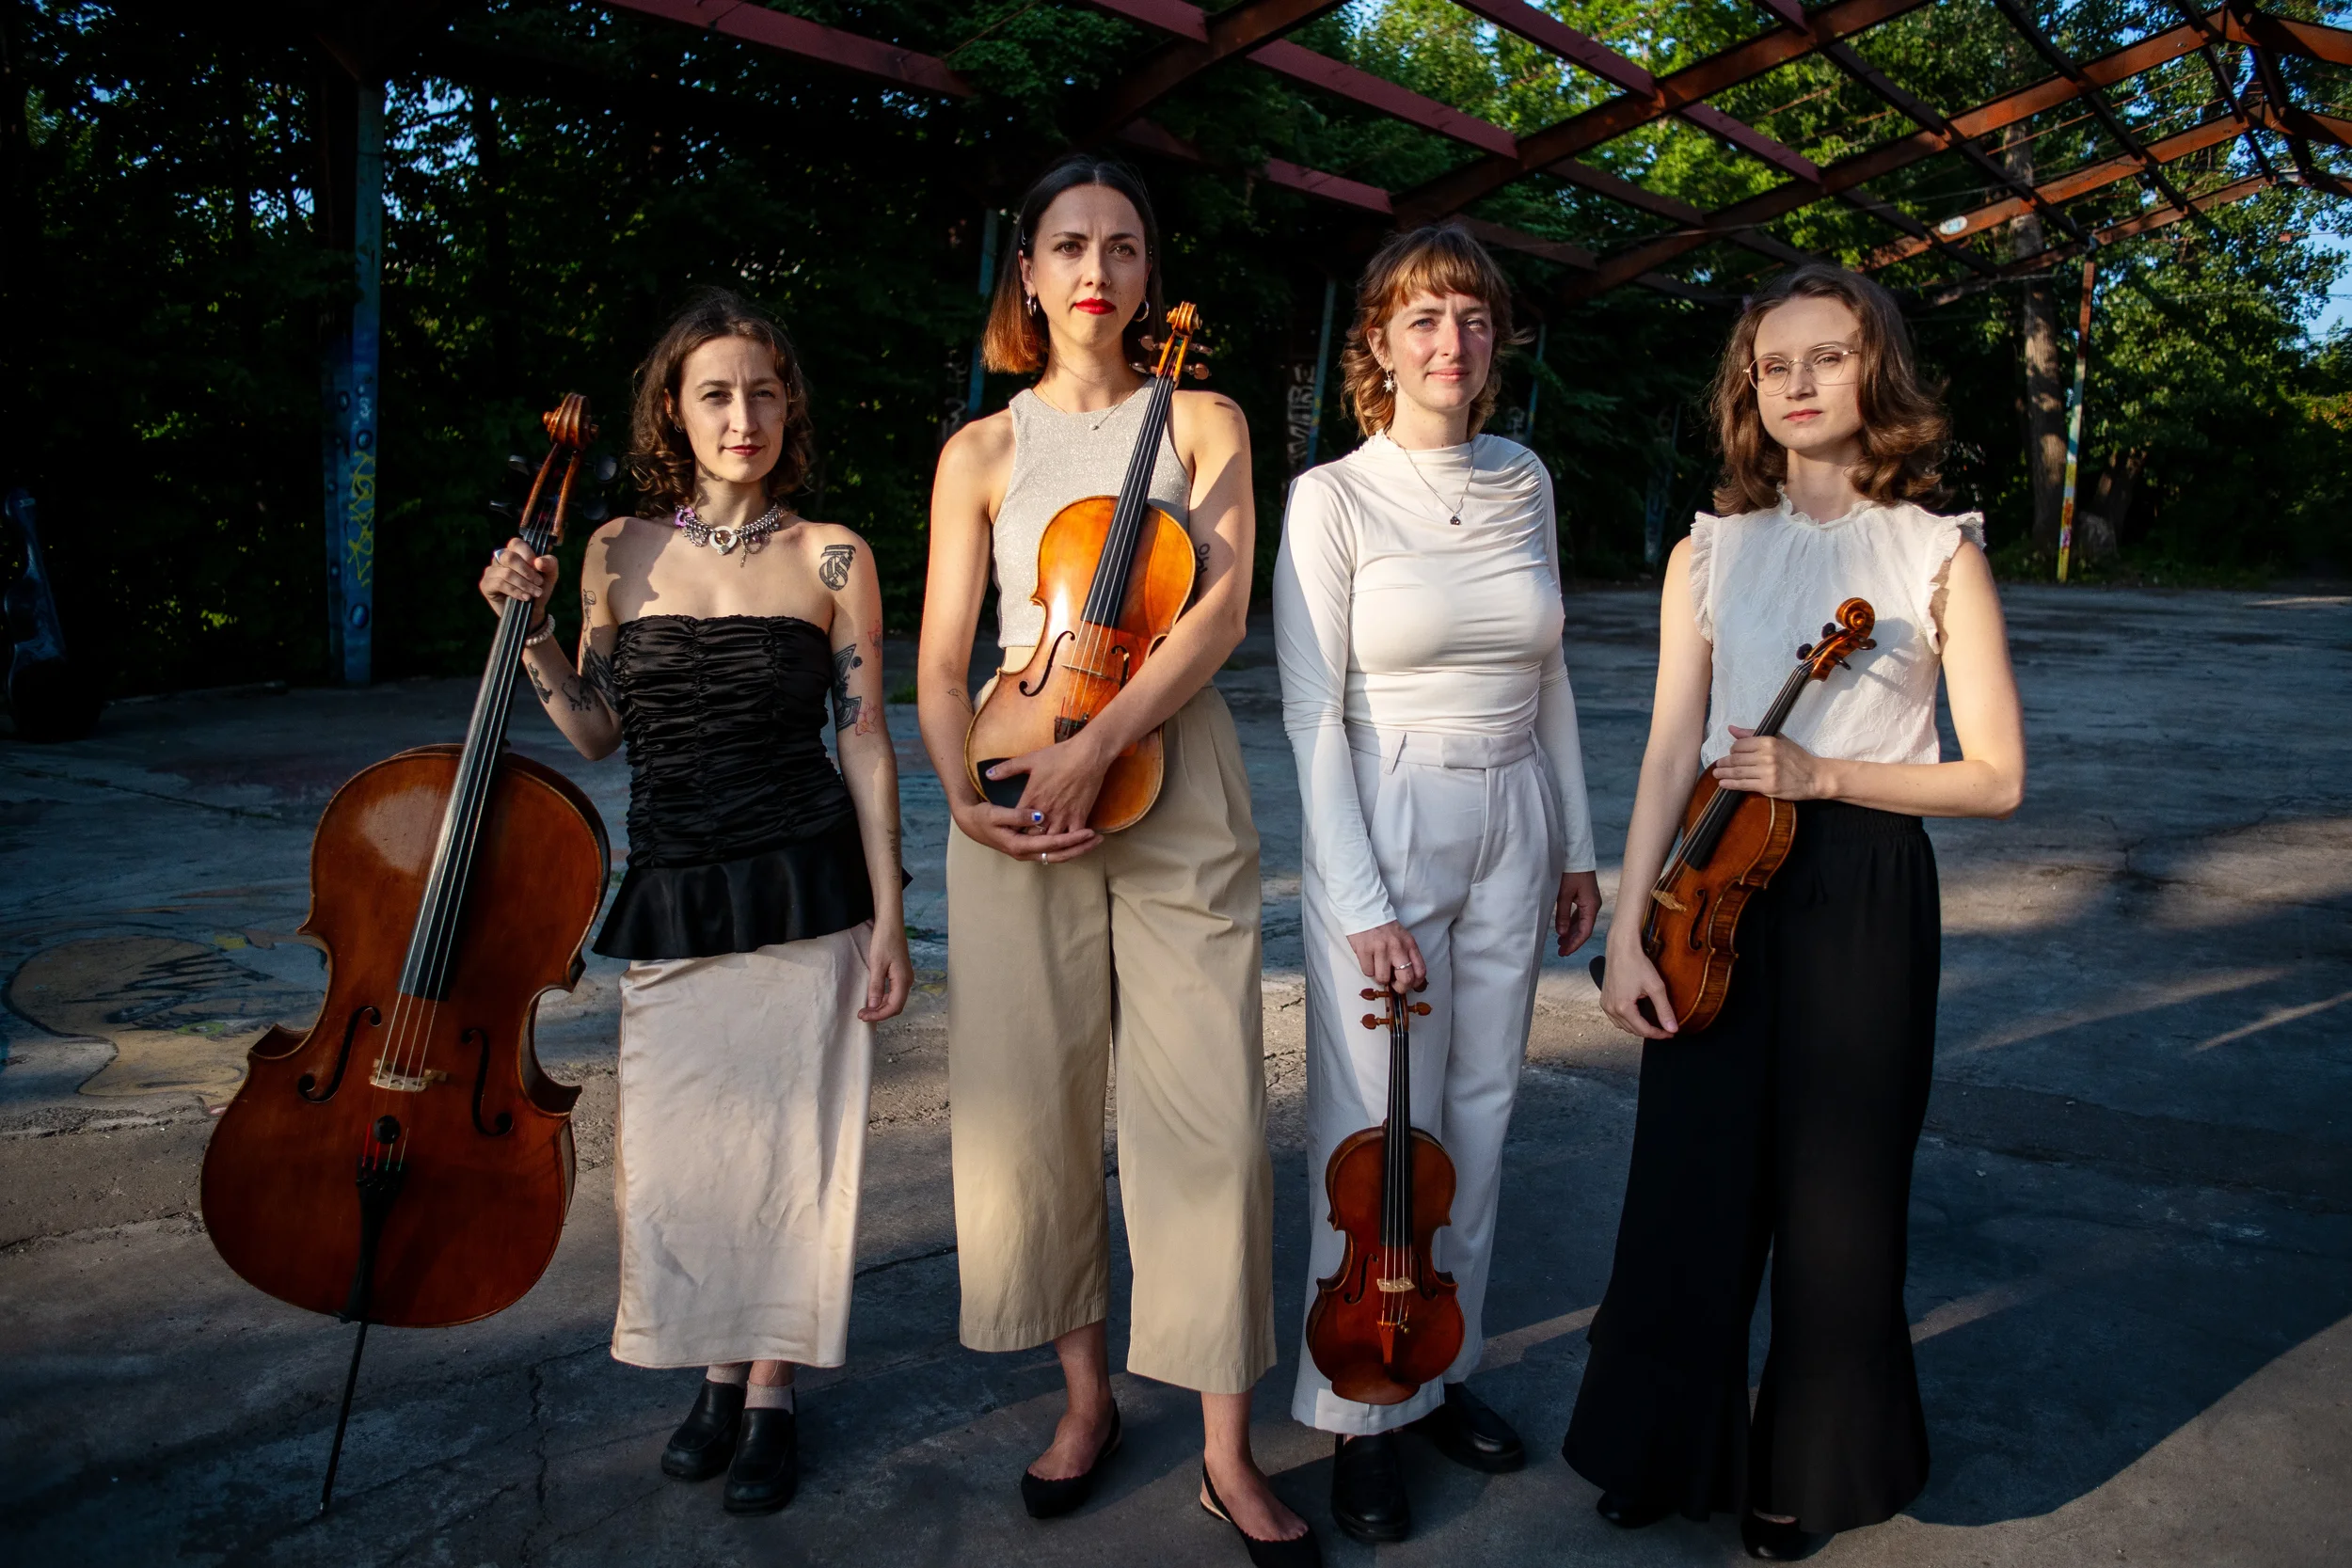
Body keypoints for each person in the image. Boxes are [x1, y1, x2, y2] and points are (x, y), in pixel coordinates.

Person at [1562, 261, 2026, 1561]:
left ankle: (1802, 1467)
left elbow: (1994, 776)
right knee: (1685, 1183)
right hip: (1714, 873)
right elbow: (1668, 752)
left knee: (1840, 1199)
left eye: (1828, 357)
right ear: (1750, 390)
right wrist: (1625, 929)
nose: (1800, 383)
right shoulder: (1710, 550)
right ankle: (1662, 1442)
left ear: (1874, 371)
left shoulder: (1940, 550)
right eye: (1777, 364)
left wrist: (1827, 773)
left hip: (1864, 891)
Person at [915, 153, 1315, 1567]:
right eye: (1070, 244)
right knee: (1032, 1103)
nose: (1098, 268)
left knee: (1206, 1108)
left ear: (1150, 274)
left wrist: (1110, 737)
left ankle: (1224, 1447)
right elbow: (945, 657)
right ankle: (1085, 1400)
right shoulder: (980, 451)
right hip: (1021, 780)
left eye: (1125, 245)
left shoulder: (1201, 417)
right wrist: (961, 789)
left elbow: (1214, 613)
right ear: (1026, 272)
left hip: (1173, 771)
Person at [477, 289, 912, 1517]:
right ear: (675, 408)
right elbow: (598, 731)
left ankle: (763, 1388)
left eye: (766, 391)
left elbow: (867, 738)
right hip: (674, 887)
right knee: (687, 1158)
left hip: (806, 882)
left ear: (790, 409)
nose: (745, 414)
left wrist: (893, 915)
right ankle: (713, 1364)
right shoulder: (617, 549)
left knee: (793, 1150)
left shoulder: (834, 553)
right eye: (717, 391)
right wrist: (532, 641)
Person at [1271, 224, 1601, 1545]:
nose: (1450, 342)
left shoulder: (1525, 479)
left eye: (1470, 318)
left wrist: (1579, 842)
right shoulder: (1334, 497)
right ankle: (1361, 1404)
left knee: (1478, 1117)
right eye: (1422, 319)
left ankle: (1440, 1362)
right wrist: (1360, 904)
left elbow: (1554, 674)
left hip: (1515, 806)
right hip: (1387, 812)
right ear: (1378, 344)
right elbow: (1310, 713)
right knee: (1373, 1139)